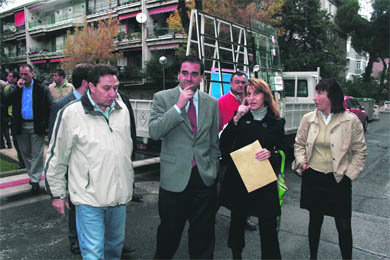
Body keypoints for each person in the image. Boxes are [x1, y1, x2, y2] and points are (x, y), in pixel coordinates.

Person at [45, 64, 134, 260]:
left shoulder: (123, 110)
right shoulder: (71, 114)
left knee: (114, 249)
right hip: (88, 199)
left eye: (116, 87)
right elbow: (57, 157)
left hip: (119, 198)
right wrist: (58, 194)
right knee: (93, 253)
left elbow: (126, 149)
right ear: (91, 87)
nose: (113, 93)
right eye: (106, 88)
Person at [149, 55, 220, 259]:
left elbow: (213, 141)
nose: (189, 78)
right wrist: (178, 107)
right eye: (185, 73)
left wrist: (213, 169)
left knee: (203, 237)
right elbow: (154, 131)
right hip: (174, 180)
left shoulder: (211, 103)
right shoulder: (162, 98)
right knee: (168, 236)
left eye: (194, 74)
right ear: (178, 75)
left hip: (203, 178)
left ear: (201, 77)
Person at [293, 78, 367, 259]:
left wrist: (349, 175)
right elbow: (299, 144)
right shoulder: (308, 119)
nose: (314, 98)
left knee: (343, 225)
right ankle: (313, 257)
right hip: (314, 177)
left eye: (319, 93)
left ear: (331, 96)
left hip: (339, 179)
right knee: (315, 221)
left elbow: (360, 151)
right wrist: (302, 162)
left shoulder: (351, 121)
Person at [220, 78, 284, 259]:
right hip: (240, 179)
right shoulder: (240, 118)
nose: (252, 97)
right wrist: (236, 118)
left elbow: (284, 151)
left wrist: (272, 155)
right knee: (237, 222)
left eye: (256, 93)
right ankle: (236, 255)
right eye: (248, 94)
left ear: (265, 95)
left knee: (268, 226)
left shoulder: (276, 122)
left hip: (263, 180)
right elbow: (223, 144)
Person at [47, 63, 92, 255]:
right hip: (72, 166)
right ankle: (75, 239)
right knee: (75, 205)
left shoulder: (96, 102)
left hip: (91, 165)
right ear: (86, 82)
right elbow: (54, 141)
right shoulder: (61, 105)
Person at [217, 71, 257, 231]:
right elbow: (218, 129)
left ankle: (244, 218)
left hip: (247, 153)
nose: (240, 85)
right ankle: (208, 215)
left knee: (247, 188)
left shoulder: (251, 102)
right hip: (228, 154)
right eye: (237, 82)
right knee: (220, 189)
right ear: (230, 84)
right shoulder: (221, 102)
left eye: (243, 82)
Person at [5, 64, 53, 194]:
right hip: (21, 125)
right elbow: (6, 101)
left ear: (32, 74)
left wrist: (48, 125)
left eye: (26, 74)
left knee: (37, 154)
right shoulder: (16, 89)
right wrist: (16, 89)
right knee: (25, 152)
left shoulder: (41, 88)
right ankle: (33, 174)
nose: (23, 77)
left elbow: (49, 106)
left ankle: (35, 179)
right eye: (21, 74)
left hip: (36, 125)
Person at [5, 71, 25, 168]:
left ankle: (23, 162)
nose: (8, 78)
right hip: (14, 117)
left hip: (19, 118)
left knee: (20, 142)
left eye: (10, 76)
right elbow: (7, 100)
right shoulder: (13, 88)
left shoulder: (14, 88)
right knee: (17, 142)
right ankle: (22, 161)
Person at [0, 80, 12, 149]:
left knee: (3, 130)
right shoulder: (4, 93)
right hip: (4, 114)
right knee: (4, 130)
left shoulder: (2, 93)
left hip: (3, 114)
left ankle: (3, 144)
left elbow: (5, 104)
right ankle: (7, 144)